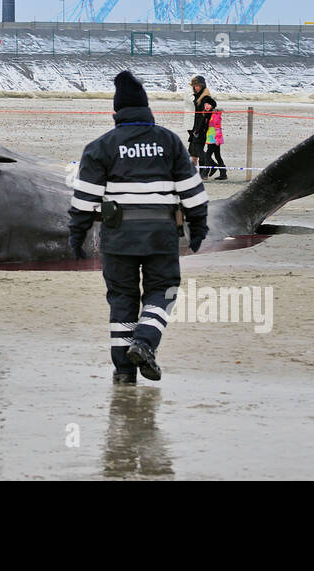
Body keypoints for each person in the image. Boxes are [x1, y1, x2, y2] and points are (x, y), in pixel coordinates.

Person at [69, 71, 209, 384]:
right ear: (147, 109)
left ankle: (123, 371)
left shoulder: (100, 147)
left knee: (121, 299)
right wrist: (198, 227)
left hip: (118, 240)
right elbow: (192, 191)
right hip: (161, 236)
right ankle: (145, 342)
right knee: (163, 290)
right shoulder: (169, 141)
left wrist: (76, 235)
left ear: (115, 113)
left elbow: (84, 201)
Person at [187, 76, 216, 176]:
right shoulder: (198, 96)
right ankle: (211, 166)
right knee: (193, 149)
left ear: (202, 86)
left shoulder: (205, 97)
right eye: (194, 86)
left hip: (202, 128)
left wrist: (198, 130)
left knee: (199, 150)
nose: (195, 87)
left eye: (197, 85)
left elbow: (212, 104)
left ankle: (205, 171)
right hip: (196, 127)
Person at [202, 103, 227, 180]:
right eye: (205, 105)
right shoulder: (208, 114)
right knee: (217, 156)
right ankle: (223, 174)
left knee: (208, 155)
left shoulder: (215, 115)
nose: (206, 106)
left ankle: (205, 173)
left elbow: (218, 127)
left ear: (212, 106)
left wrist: (218, 139)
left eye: (208, 105)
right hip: (210, 137)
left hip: (215, 138)